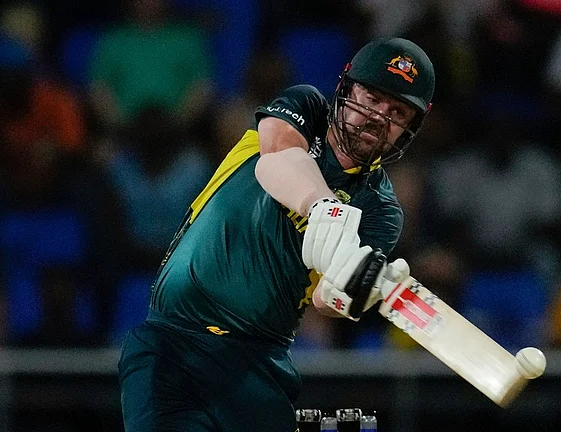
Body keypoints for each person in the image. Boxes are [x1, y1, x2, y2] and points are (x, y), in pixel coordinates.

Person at [118, 37, 435, 431]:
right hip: (174, 341)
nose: (379, 118)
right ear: (346, 88)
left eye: (398, 112)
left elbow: (323, 300)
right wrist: (323, 206)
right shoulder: (306, 107)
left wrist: (354, 288)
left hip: (260, 365)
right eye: (372, 99)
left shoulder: (381, 210)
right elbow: (275, 158)